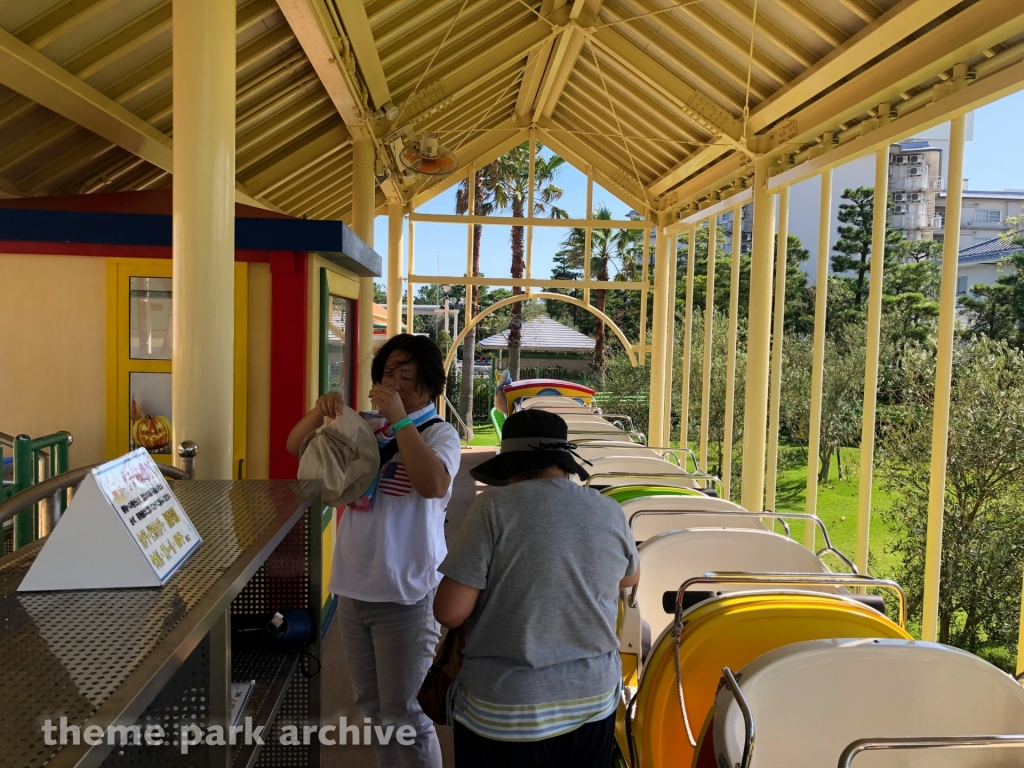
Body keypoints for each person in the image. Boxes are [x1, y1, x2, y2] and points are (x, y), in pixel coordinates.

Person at [287, 334, 461, 768]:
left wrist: (401, 421)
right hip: (352, 587)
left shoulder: (439, 434)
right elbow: (296, 447)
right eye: (388, 375)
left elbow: (432, 484)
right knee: (373, 709)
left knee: (407, 713)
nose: (396, 384)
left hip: (406, 593)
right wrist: (319, 411)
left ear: (429, 385)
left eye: (408, 377)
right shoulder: (362, 426)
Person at [433, 409, 640, 768]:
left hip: (506, 708)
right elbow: (629, 577)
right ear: (564, 461)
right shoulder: (608, 509)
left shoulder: (492, 508)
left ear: (512, 465)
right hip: (593, 700)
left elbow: (449, 612)